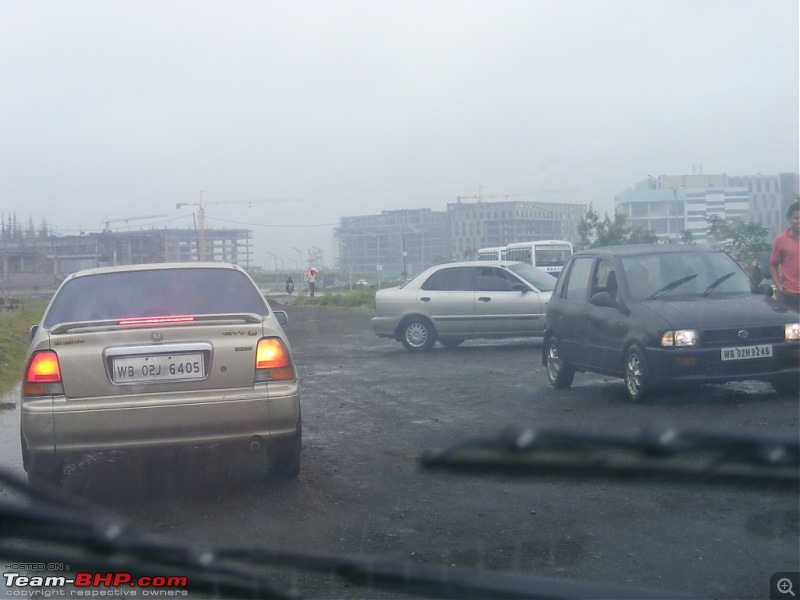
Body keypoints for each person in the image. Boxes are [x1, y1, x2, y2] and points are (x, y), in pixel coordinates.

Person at [769, 200, 800, 312]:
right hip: (791, 294)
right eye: (796, 218)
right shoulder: (781, 240)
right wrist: (778, 286)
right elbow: (773, 265)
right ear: (789, 219)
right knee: (793, 327)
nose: (799, 221)